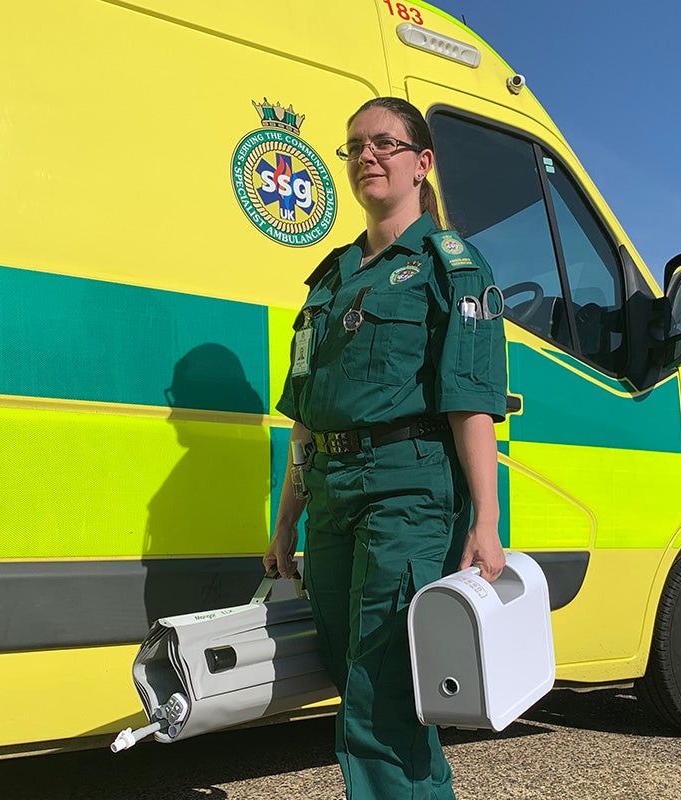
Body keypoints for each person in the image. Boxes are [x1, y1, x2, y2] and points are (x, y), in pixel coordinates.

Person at [264, 97, 507, 800]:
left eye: (384, 143)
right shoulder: (332, 279)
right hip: (335, 496)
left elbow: (470, 403)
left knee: (381, 695)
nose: (367, 155)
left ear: (421, 162)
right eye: (354, 146)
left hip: (408, 492)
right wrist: (286, 522)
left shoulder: (450, 266)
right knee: (360, 680)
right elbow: (306, 421)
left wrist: (486, 523)